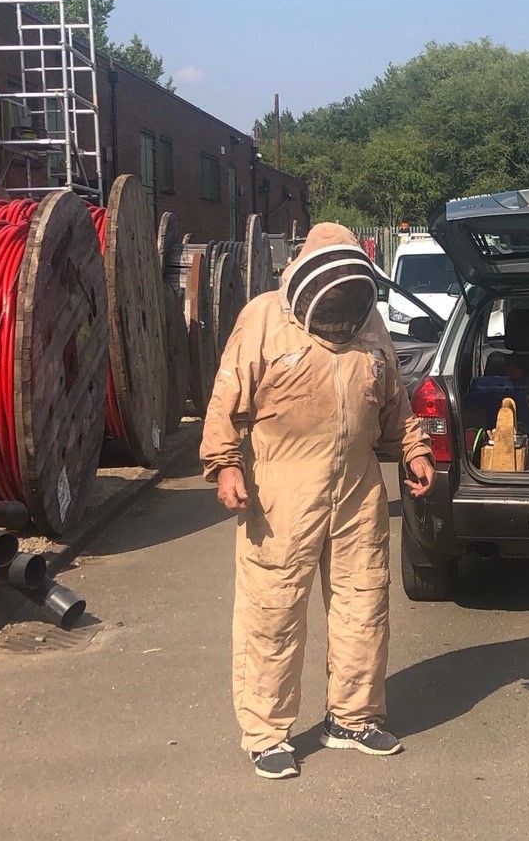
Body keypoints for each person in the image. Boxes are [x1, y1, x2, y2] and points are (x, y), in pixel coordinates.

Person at [201, 223, 435, 780]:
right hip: (281, 486)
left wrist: (415, 448)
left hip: (356, 487)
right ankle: (267, 732)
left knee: (364, 603)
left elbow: (394, 397)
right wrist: (226, 463)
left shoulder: (368, 321)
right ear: (306, 275)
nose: (340, 301)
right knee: (273, 610)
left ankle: (351, 718)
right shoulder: (262, 317)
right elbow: (226, 394)